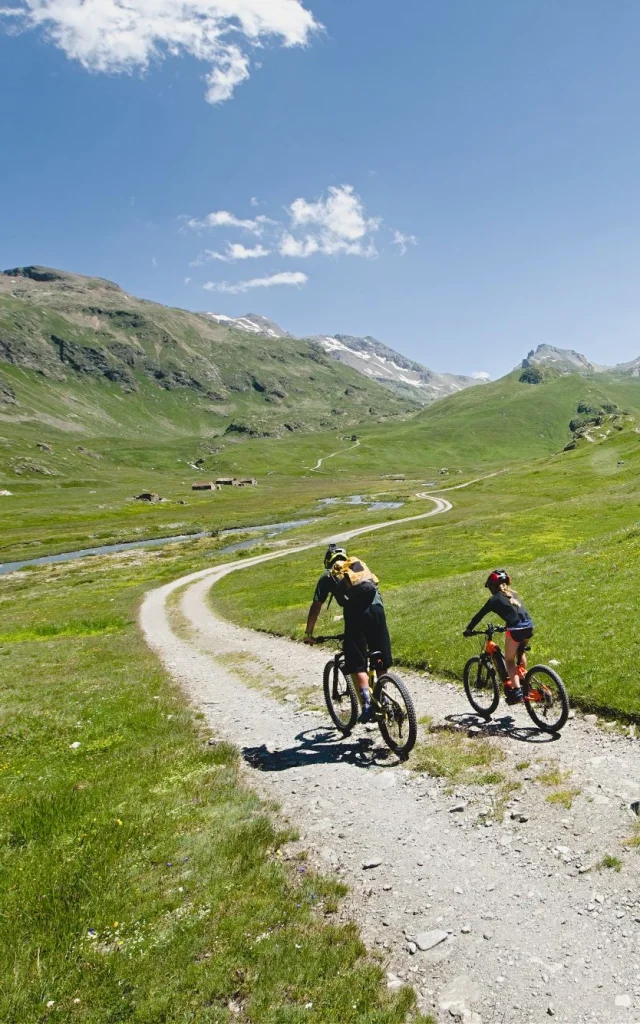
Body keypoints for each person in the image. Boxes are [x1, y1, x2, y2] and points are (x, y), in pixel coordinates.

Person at [304, 544, 392, 722]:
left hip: (356, 615)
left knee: (356, 661)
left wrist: (309, 633)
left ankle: (367, 705)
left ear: (328, 561)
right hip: (377, 610)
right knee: (380, 656)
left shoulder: (329, 575)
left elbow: (315, 607)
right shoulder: (357, 566)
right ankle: (386, 699)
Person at [463, 569, 534, 704]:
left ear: (493, 586)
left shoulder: (494, 599)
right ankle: (524, 679)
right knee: (520, 651)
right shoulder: (513, 594)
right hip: (529, 626)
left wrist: (469, 629)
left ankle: (517, 691)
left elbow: (479, 615)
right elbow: (515, 612)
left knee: (509, 660)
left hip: (516, 628)